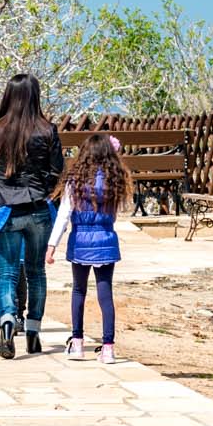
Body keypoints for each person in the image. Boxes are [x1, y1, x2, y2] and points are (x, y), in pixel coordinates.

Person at [0, 73, 61, 359]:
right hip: (36, 208)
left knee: (6, 273)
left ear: (8, 96)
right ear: (36, 96)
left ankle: (7, 323)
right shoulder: (47, 130)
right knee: (36, 272)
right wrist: (43, 189)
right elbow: (57, 170)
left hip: (3, 208)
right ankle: (33, 331)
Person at [47, 133, 130, 364]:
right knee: (106, 295)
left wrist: (51, 245)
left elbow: (63, 216)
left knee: (78, 291)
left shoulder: (74, 181)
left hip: (80, 242)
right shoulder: (115, 182)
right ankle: (108, 348)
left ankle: (77, 343)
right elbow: (120, 210)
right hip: (106, 240)